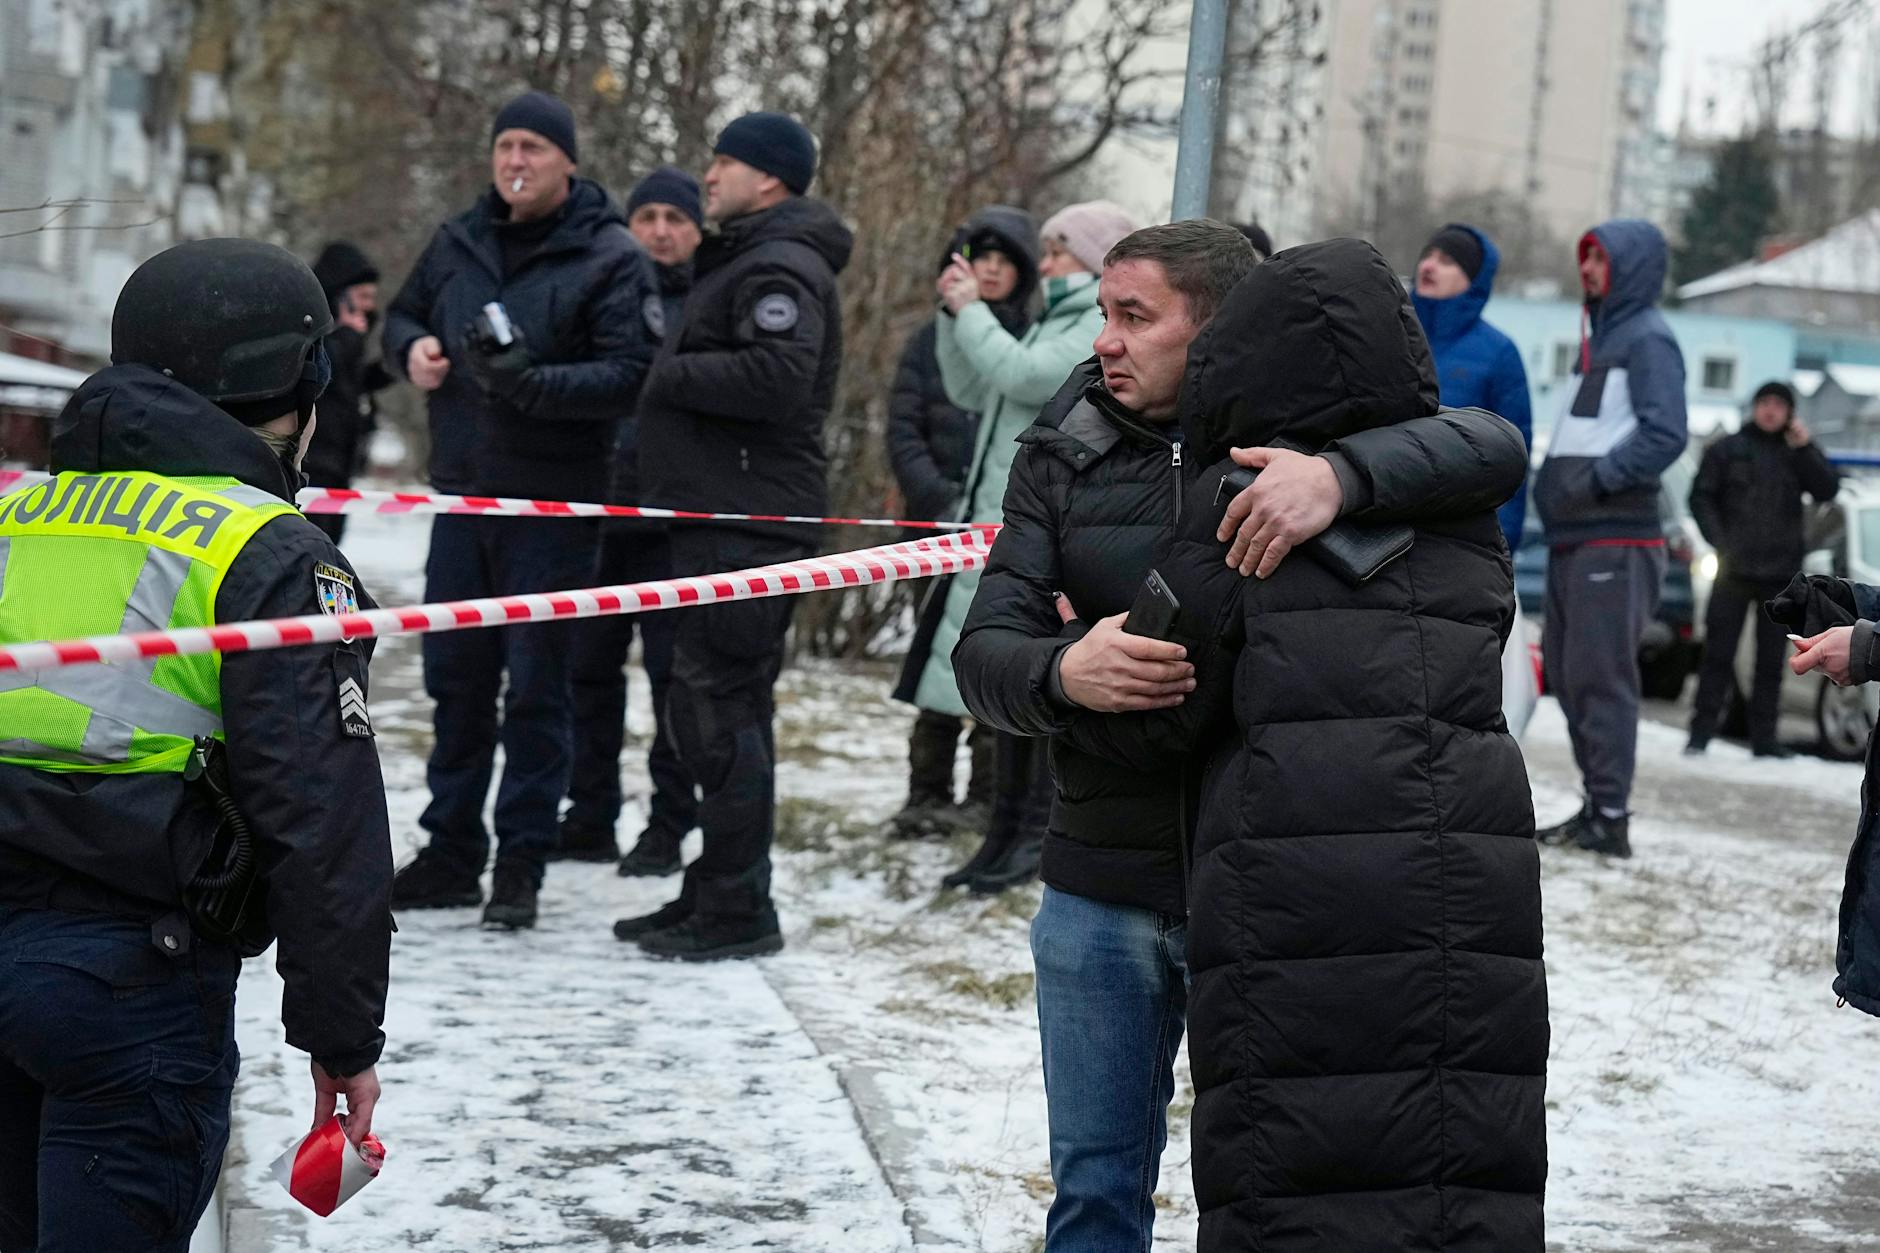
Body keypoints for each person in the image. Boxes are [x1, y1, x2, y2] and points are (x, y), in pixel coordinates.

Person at [952, 223, 1534, 1252]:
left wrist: (1342, 477)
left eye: (1135, 317)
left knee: (1273, 1182)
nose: (1105, 343)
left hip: (1276, 899)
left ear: (1216, 331)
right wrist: (1060, 669)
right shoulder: (1063, 443)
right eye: (1101, 313)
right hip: (1104, 883)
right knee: (1093, 1187)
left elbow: (1487, 442)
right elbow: (983, 650)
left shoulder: (1308, 456)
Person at [0, 238, 391, 1251]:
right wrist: (340, 1037)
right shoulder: (265, 547)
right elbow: (322, 815)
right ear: (292, 383)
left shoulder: (16, 513)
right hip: (128, 987)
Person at [383, 90, 659, 929]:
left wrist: (533, 385)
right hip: (463, 498)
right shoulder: (457, 239)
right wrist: (413, 350)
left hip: (553, 508)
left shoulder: (610, 256)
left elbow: (629, 374)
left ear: (567, 161)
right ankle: (452, 850)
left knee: (538, 688)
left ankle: (522, 863)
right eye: (505, 146)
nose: (516, 162)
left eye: (533, 148)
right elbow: (400, 313)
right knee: (456, 683)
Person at [614, 112, 852, 961]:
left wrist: (667, 373)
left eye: (724, 163)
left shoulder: (780, 263)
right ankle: (719, 887)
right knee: (713, 707)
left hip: (748, 524)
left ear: (772, 180)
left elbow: (780, 376)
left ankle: (738, 909)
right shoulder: (754, 256)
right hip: (724, 518)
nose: (707, 176)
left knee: (721, 712)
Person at [913, 199, 1138, 893]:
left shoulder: (1086, 327)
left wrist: (975, 313)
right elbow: (972, 386)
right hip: (1005, 521)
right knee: (1006, 685)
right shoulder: (1057, 314)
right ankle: (1003, 834)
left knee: (1033, 690)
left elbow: (1020, 375)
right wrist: (957, 317)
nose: (1043, 266)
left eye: (1057, 252)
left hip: (1046, 528)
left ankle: (1027, 839)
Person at [553, 167, 705, 873]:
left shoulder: (710, 303)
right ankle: (589, 814)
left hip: (674, 525)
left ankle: (669, 825)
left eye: (676, 218)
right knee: (586, 674)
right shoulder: (603, 290)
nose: (661, 232)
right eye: (647, 217)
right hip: (595, 515)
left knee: (674, 682)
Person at [1532, 219, 1689, 859]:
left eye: (1600, 260)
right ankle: (1598, 804)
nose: (1588, 271)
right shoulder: (1600, 339)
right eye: (1586, 258)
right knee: (1570, 678)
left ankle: (1612, 817)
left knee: (1600, 678)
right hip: (1577, 539)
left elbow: (1666, 433)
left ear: (1631, 268)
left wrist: (1597, 482)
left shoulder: (1649, 339)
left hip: (1616, 539)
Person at [885, 208, 1039, 842]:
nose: (993, 270)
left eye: (1006, 261)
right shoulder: (931, 341)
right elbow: (904, 428)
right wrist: (938, 500)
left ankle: (984, 795)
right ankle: (925, 793)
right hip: (935, 530)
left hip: (1004, 534)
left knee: (991, 657)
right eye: (982, 258)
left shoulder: (1033, 345)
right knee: (933, 663)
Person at [1686, 380, 1840, 757]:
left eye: (1779, 404)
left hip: (1780, 576)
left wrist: (1804, 447)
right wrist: (1720, 543)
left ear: (1790, 412)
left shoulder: (1797, 452)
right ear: (1754, 407)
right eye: (1764, 402)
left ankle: (1765, 740)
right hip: (1733, 571)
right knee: (1718, 655)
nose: (1770, 410)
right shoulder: (1727, 449)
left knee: (1771, 662)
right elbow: (1700, 497)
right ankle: (1700, 733)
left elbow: (1827, 490)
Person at [1412, 222, 1534, 551]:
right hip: (1387, 526)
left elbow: (1514, 457)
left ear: (1473, 279)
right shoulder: (1390, 335)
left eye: (1447, 261)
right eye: (1428, 256)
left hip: (1461, 536)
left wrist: (1501, 548)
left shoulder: (1499, 353)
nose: (1429, 266)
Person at [304, 240, 395, 545]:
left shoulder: (349, 340)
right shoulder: (314, 335)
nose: (369, 305)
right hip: (313, 465)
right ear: (339, 296)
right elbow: (321, 376)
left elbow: (351, 385)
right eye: (362, 296)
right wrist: (348, 337)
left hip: (340, 465)